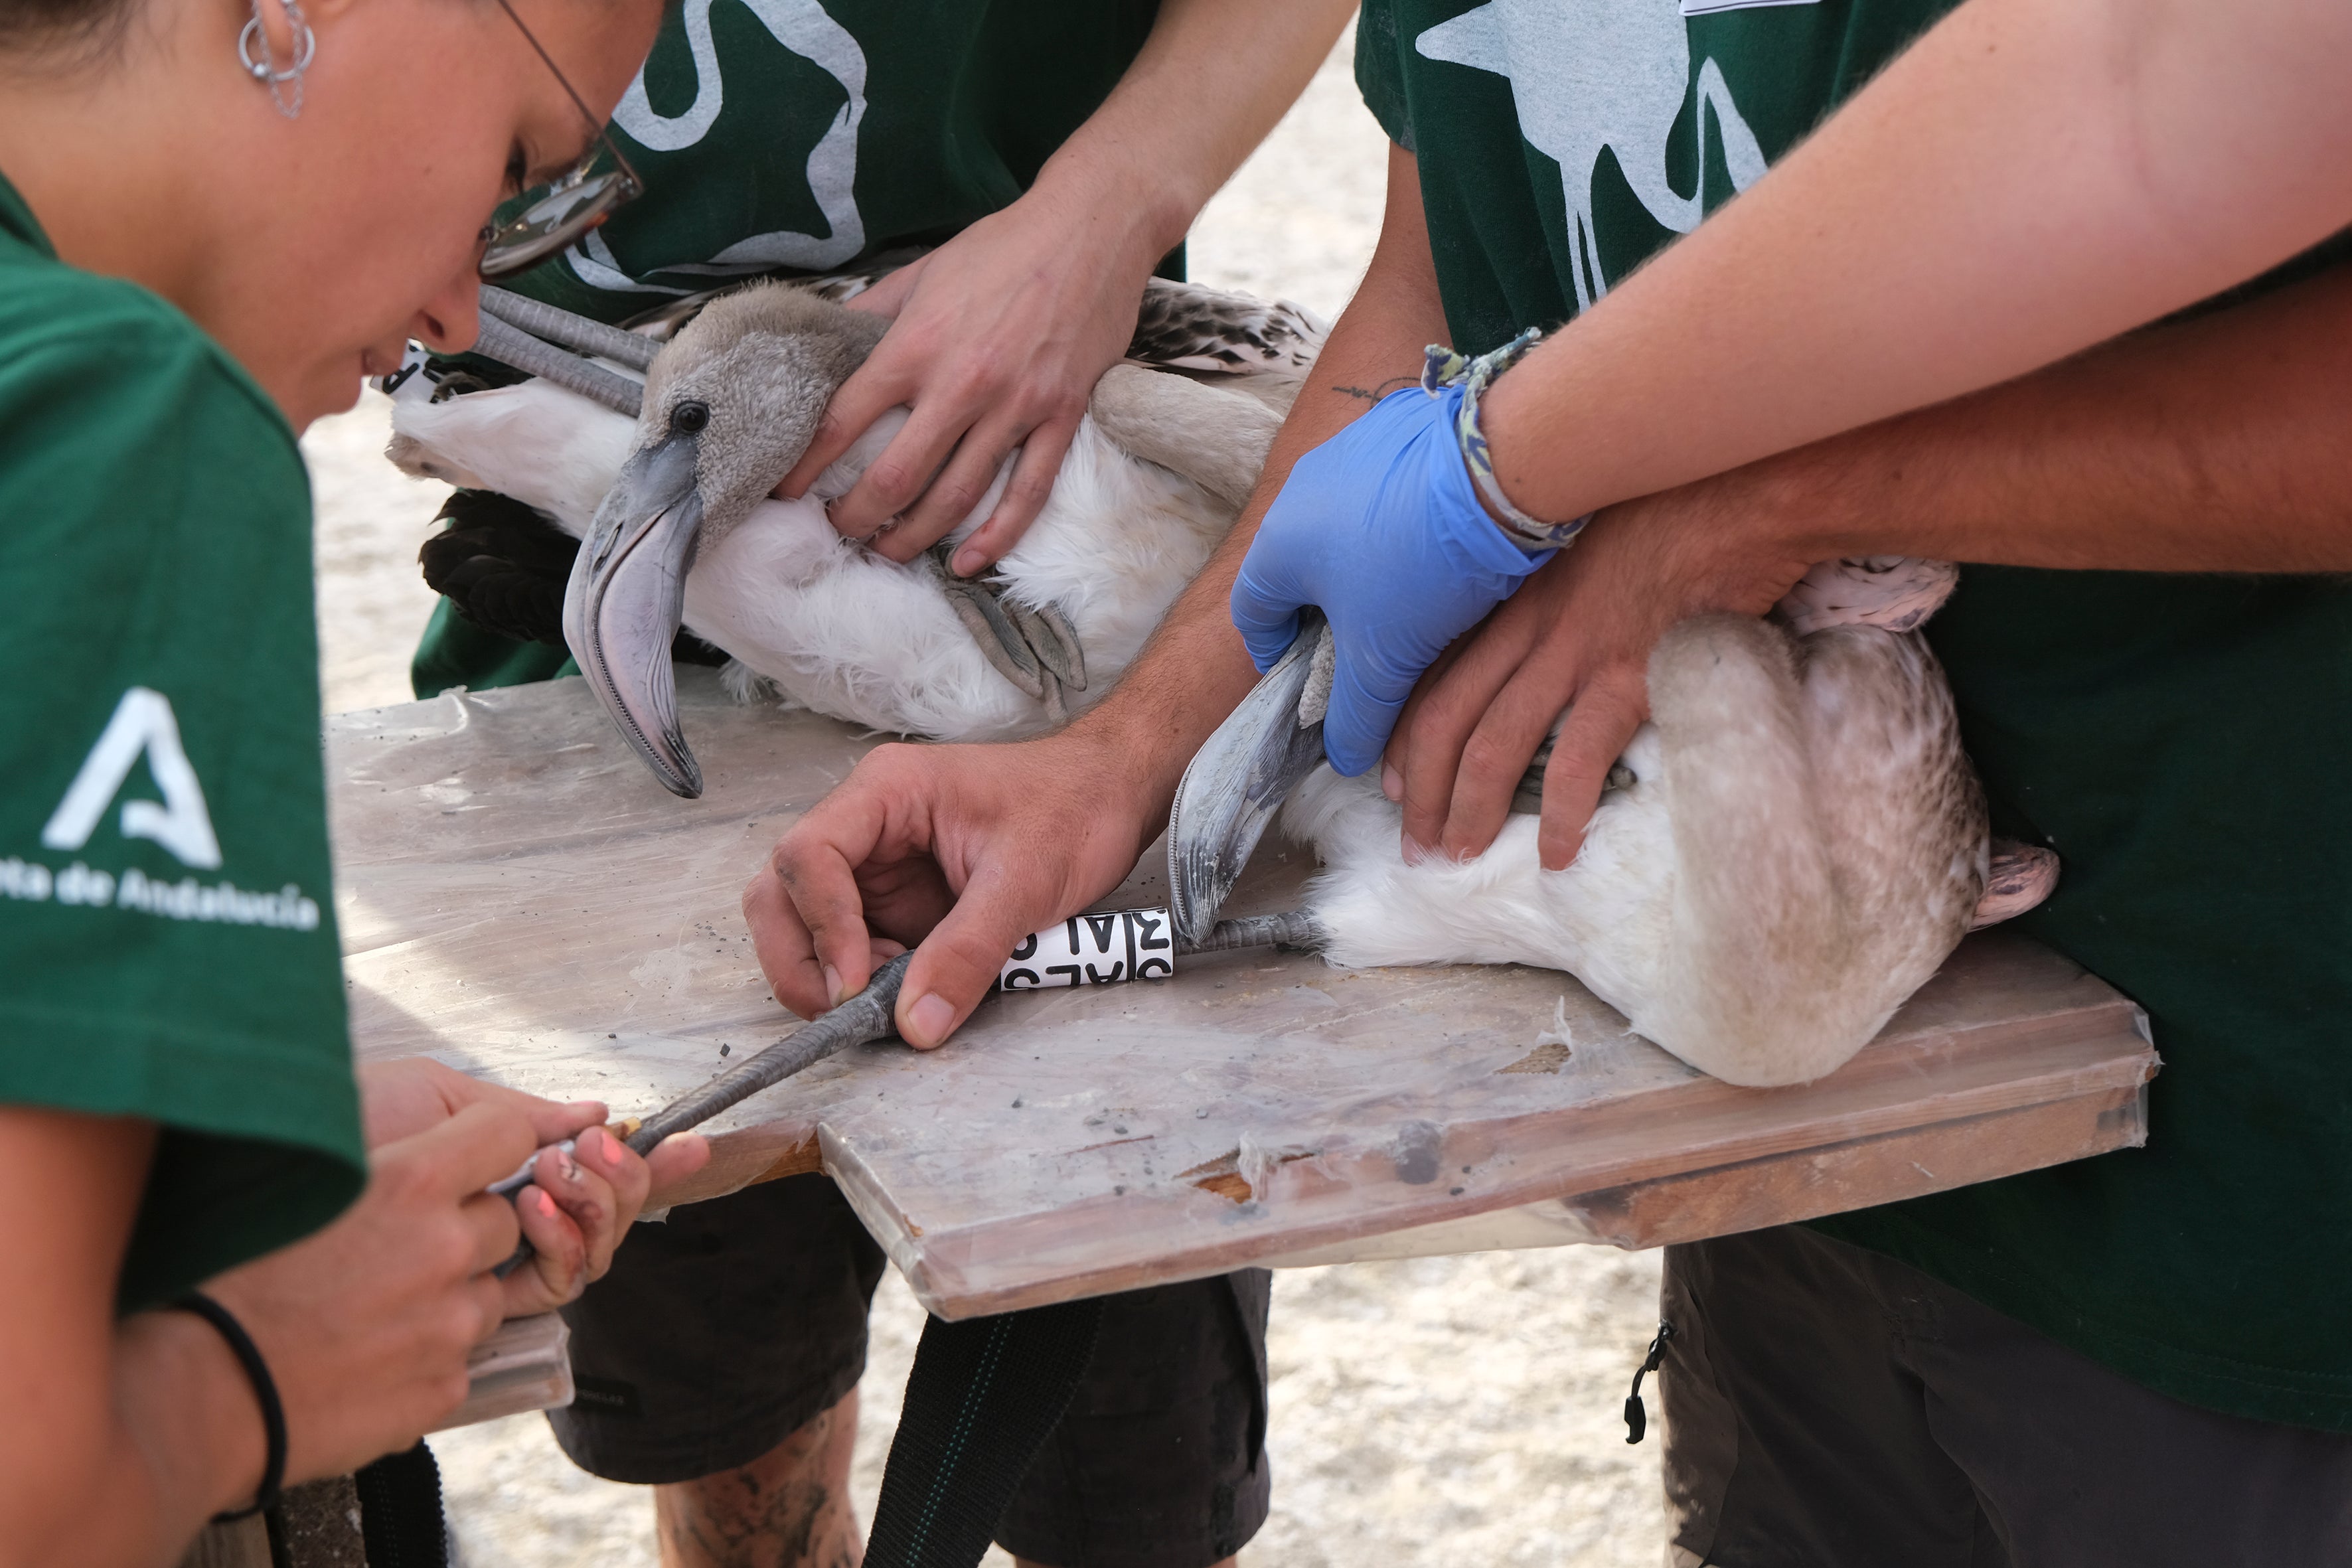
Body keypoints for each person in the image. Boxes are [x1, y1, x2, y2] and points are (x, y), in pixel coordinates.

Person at [744, 0, 2352, 1558]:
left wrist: (1747, 501)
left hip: (2234, 1163)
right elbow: (1428, 283)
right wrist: (1123, 759)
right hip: (1781, 1130)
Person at [418, 5, 1352, 1565]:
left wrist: (1098, 212)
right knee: (736, 1462)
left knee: (1122, 1488)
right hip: (608, 618)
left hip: (1085, 556)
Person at [0, 0, 708, 1555]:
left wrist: (218, 1130)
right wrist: (251, 1375)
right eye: (520, 170)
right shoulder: (117, 416)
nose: (457, 312)